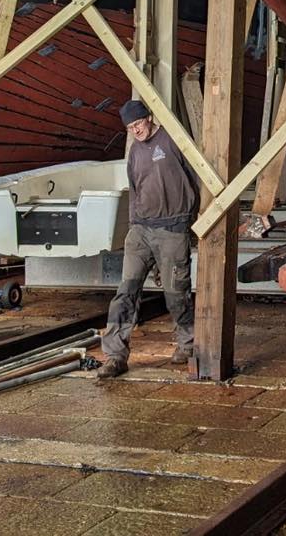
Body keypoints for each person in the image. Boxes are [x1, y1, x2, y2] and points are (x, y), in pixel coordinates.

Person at [98, 99, 198, 378]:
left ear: (150, 118)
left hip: (172, 228)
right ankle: (115, 355)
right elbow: (134, 188)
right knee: (125, 292)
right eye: (130, 128)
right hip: (140, 230)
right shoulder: (134, 151)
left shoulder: (173, 140)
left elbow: (196, 179)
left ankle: (187, 344)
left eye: (139, 124)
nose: (136, 131)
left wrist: (191, 219)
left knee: (176, 292)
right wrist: (132, 226)